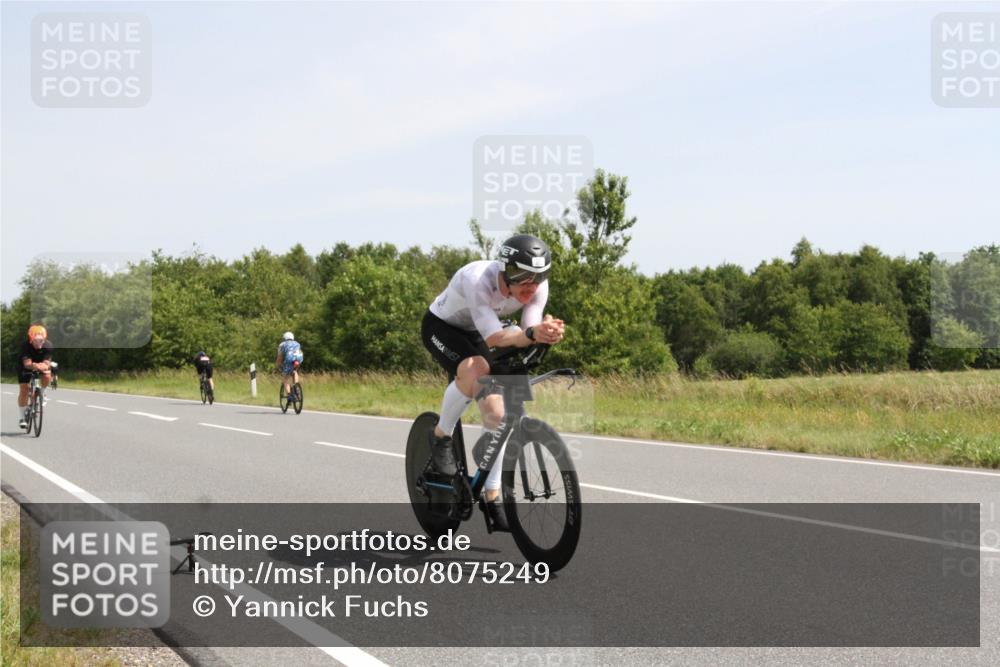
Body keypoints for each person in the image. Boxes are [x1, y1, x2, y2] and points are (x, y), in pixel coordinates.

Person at [420, 234, 565, 527]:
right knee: (477, 368)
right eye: (520, 275)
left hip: (487, 330)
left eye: (538, 277)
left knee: (500, 414)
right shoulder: (477, 281)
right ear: (504, 269)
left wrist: (545, 331)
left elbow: (528, 328)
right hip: (444, 327)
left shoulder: (537, 286)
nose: (530, 285)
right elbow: (495, 337)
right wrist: (530, 335)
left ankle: (491, 494)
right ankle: (440, 436)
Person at [18, 325, 54, 428]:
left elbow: (46, 363)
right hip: (25, 366)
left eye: (41, 340)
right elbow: (27, 364)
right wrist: (36, 365)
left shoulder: (48, 345)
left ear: (44, 339)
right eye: (36, 341)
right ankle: (22, 418)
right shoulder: (25, 346)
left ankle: (42, 393)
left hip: (40, 364)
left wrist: (44, 366)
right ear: (31, 339)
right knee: (24, 389)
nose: (39, 343)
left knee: (47, 375)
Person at [276, 332, 303, 397]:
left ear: (285, 338)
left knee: (285, 378)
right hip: (299, 358)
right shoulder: (297, 343)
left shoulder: (282, 344)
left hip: (289, 359)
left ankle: (289, 395)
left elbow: (280, 357)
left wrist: (278, 365)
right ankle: (296, 386)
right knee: (294, 371)